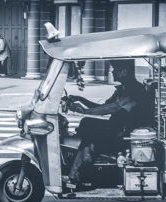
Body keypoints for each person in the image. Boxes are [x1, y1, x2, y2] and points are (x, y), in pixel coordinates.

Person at [63, 59, 152, 188]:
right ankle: (79, 165)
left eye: (115, 70)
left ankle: (74, 176)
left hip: (123, 132)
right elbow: (104, 105)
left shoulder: (134, 90)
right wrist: (80, 99)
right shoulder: (122, 89)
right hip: (116, 127)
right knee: (86, 122)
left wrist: (84, 110)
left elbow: (113, 108)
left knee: (90, 139)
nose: (113, 72)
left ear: (124, 72)